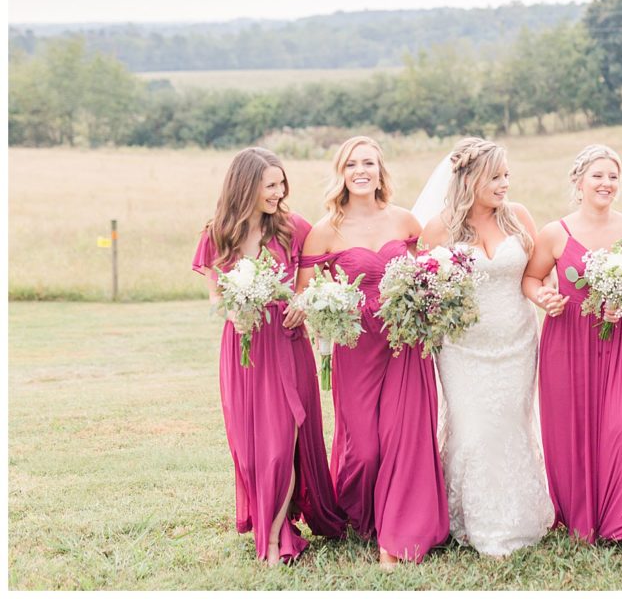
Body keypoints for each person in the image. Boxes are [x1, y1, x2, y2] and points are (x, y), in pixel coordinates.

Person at [297, 136, 448, 567]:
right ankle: (361, 515)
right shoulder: (324, 231)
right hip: (355, 344)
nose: (361, 171)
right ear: (341, 174)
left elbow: (427, 272)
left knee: (404, 439)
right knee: (364, 448)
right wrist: (329, 308)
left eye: (369, 163)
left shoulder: (405, 222)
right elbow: (306, 294)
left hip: (405, 341)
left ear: (381, 171)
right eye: (352, 165)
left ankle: (401, 531)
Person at [191, 147, 346, 565]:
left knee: (282, 444)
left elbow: (324, 276)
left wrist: (304, 299)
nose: (279, 193)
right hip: (243, 353)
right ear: (246, 186)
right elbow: (214, 294)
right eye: (270, 185)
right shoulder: (217, 233)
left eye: (281, 184)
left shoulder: (293, 228)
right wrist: (232, 314)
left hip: (286, 343)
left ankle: (275, 542)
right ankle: (269, 524)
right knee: (252, 448)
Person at [522, 144, 622, 562]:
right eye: (598, 176)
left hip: (620, 341)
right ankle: (584, 519)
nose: (606, 184)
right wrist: (543, 296)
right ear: (579, 182)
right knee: (572, 430)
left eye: (613, 177)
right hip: (567, 341)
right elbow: (530, 278)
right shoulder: (555, 232)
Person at [416, 138, 554, 557]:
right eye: (495, 176)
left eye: (506, 175)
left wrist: (547, 293)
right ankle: (470, 519)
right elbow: (422, 287)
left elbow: (538, 274)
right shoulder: (440, 228)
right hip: (462, 347)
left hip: (516, 341)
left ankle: (519, 517)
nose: (504, 184)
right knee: (473, 429)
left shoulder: (518, 219)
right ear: (470, 178)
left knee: (511, 424)